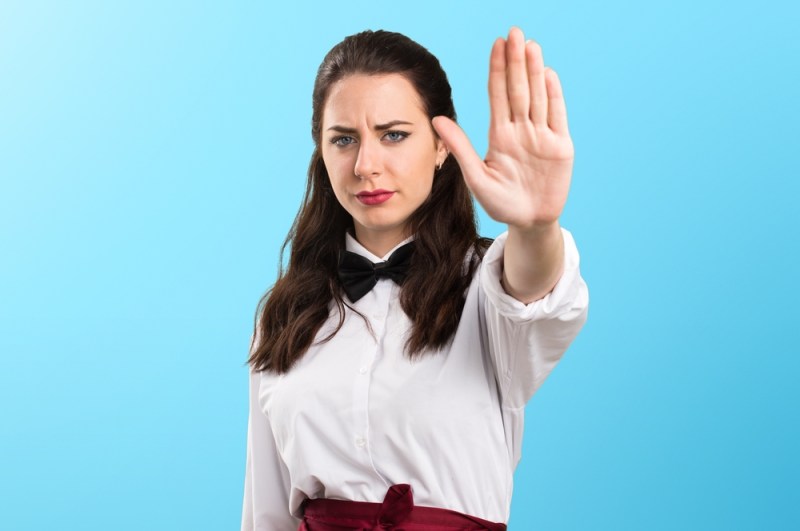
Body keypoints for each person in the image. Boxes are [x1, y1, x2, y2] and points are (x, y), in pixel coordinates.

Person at [241, 26, 589, 530]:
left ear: (442, 146)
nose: (366, 165)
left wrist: (535, 227)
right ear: (321, 151)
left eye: (394, 135)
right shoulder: (284, 313)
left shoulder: (487, 288)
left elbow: (536, 294)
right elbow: (266, 510)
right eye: (344, 140)